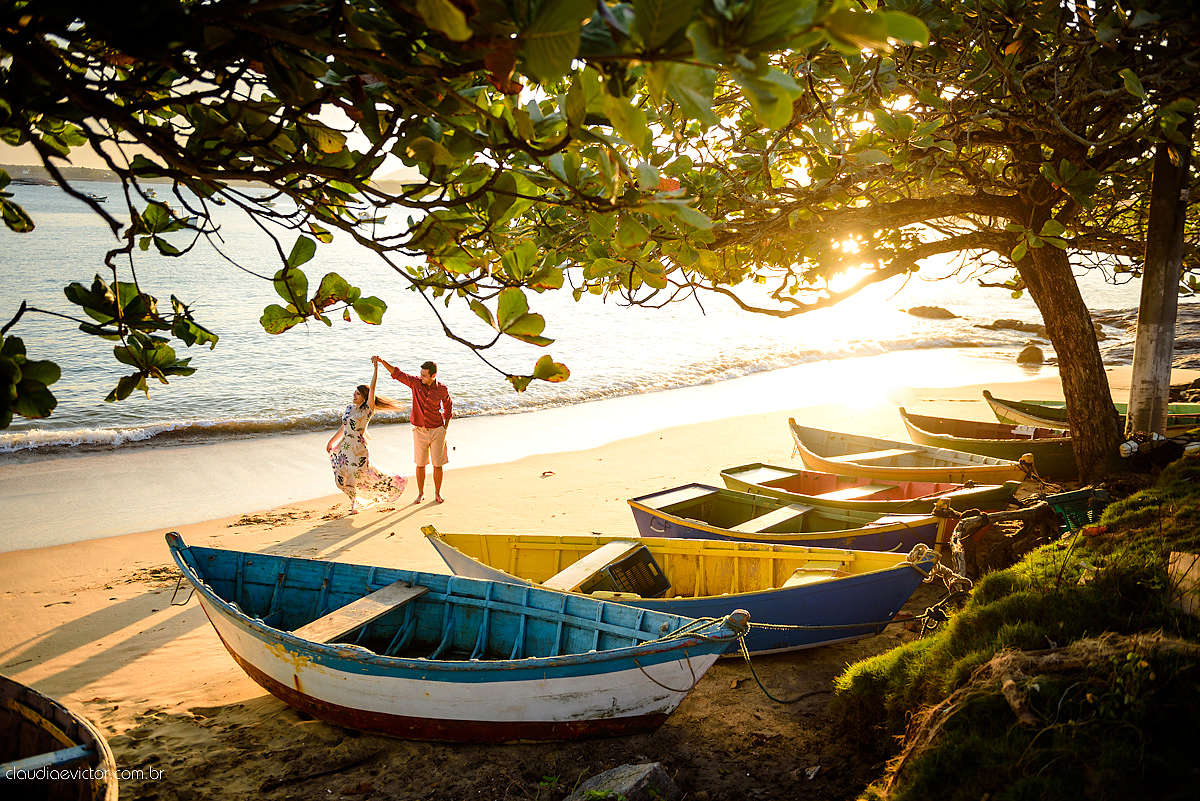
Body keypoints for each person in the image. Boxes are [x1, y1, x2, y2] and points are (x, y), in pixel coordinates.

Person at [326, 359, 407, 514]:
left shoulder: (367, 410)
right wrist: (331, 442)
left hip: (358, 449)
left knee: (356, 477)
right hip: (344, 447)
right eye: (354, 392)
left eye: (358, 393)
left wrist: (376, 368)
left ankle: (357, 502)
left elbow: (373, 388)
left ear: (365, 397)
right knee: (340, 480)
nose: (354, 395)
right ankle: (355, 500)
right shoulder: (349, 408)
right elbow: (343, 427)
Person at [375, 355, 452, 503]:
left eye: (424, 375)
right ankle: (420, 493)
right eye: (420, 374)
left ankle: (437, 493)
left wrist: (446, 425)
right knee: (420, 464)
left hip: (437, 430)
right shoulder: (416, 383)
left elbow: (448, 405)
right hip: (420, 431)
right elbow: (398, 374)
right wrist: (382, 361)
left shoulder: (442, 389)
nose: (421, 377)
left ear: (433, 375)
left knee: (437, 464)